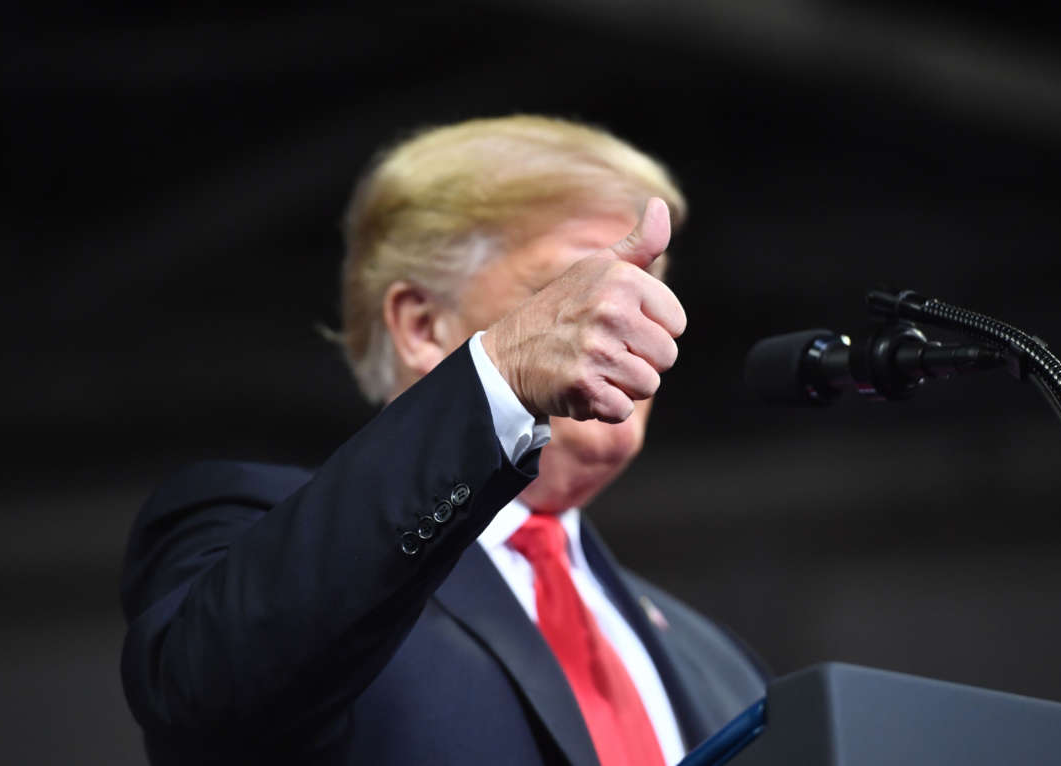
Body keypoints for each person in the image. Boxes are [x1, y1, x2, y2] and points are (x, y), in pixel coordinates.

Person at [119, 115, 768, 765]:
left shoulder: (715, 660)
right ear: (422, 325)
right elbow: (208, 701)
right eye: (572, 289)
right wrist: (503, 377)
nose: (631, 322)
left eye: (648, 290)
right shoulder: (262, 534)